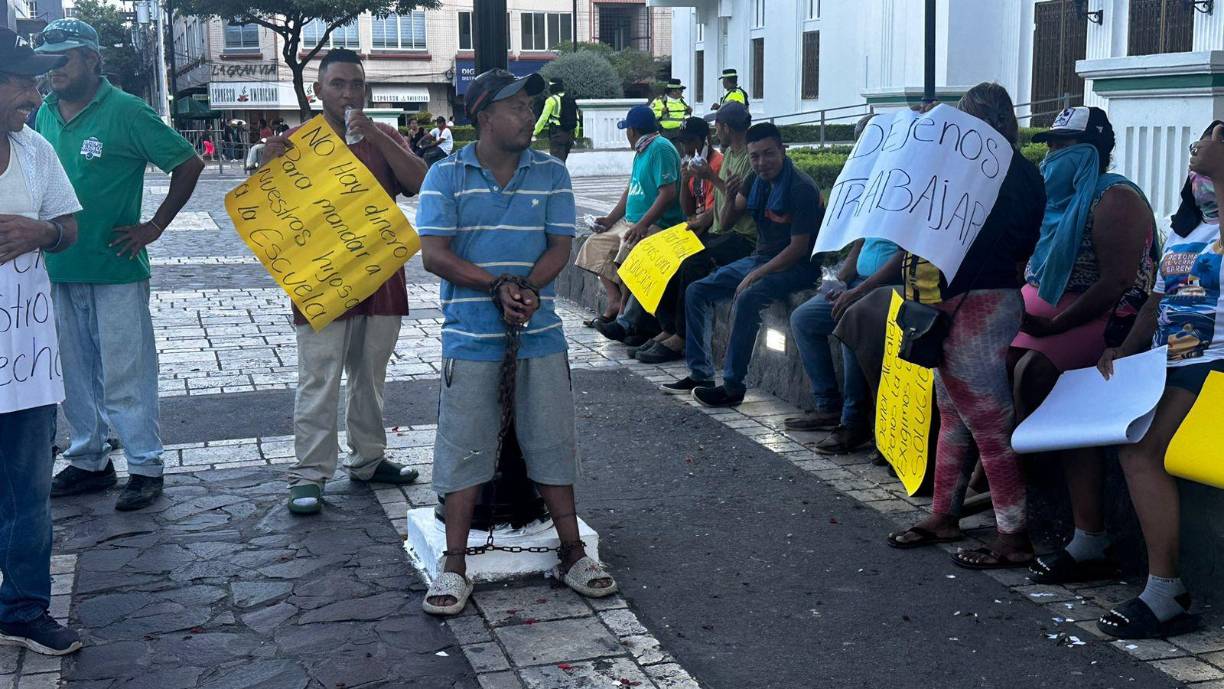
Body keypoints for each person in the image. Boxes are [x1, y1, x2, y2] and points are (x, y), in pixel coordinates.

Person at [416, 69, 617, 615]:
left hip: (541, 337)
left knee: (552, 440)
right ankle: (454, 564)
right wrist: (496, 285)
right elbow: (434, 254)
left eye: (531, 106)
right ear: (484, 116)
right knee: (463, 446)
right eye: (518, 107)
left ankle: (573, 552)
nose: (530, 114)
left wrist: (527, 287)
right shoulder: (445, 176)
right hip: (470, 338)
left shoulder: (551, 173)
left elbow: (558, 246)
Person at [33, 18, 205, 511]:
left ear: (92, 59)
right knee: (72, 371)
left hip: (115, 266)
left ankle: (146, 465)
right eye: (48, 61)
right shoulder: (42, 111)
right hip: (57, 266)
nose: (54, 70)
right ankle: (90, 460)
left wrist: (154, 226)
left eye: (63, 58)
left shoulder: (128, 111)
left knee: (127, 372)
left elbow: (187, 162)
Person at [885, 83, 1046, 569]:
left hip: (966, 302)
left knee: (987, 421)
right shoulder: (1025, 173)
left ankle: (1013, 536)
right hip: (989, 298)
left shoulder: (974, 170)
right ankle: (945, 513)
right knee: (956, 412)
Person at [260, 49, 427, 514]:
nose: (349, 93)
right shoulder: (295, 142)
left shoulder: (385, 135)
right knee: (319, 378)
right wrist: (264, 166)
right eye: (338, 84)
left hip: (381, 279)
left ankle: (369, 459)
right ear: (318, 91)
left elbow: (420, 183)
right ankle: (309, 473)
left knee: (371, 377)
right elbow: (272, 213)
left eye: (356, 84)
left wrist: (379, 136)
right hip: (321, 282)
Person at [1010, 107, 1157, 587]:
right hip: (1049, 314)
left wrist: (1056, 325)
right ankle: (1001, 496)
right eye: (1050, 145)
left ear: (1091, 150)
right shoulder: (1058, 198)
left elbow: (1116, 283)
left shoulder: (1114, 197)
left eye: (1063, 146)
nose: (1052, 155)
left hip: (1101, 319)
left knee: (1037, 373)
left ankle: (1084, 531)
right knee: (990, 363)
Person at [1089, 122, 1224, 639]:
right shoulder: (1186, 232)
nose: (1198, 151)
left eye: (1211, 140)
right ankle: (1089, 541)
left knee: (1141, 451)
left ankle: (1165, 591)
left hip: (1209, 365)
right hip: (1163, 362)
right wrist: (1123, 351)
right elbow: (1157, 299)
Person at [0, 28, 83, 656]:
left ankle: (24, 608)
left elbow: (71, 229)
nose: (34, 90)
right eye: (21, 79)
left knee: (28, 488)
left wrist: (42, 232)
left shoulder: (34, 150)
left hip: (25, 354)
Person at [662, 122, 822, 407]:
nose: (762, 163)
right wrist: (724, 188)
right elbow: (725, 222)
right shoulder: (755, 180)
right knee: (696, 290)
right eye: (755, 156)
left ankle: (733, 387)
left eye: (768, 154)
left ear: (783, 151)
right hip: (761, 258)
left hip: (797, 267)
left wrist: (756, 274)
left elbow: (798, 249)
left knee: (748, 297)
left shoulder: (801, 188)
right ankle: (701, 374)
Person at [786, 116, 902, 452]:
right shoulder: (873, 183)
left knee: (852, 325)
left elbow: (905, 256)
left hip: (886, 287)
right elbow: (861, 241)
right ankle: (828, 404)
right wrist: (842, 279)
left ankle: (854, 423)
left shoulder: (905, 184)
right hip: (861, 283)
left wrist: (859, 291)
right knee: (804, 319)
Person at [636, 110, 756, 365]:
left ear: (721, 129)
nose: (686, 146)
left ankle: (681, 335)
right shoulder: (729, 156)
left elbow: (736, 203)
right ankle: (665, 326)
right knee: (662, 253)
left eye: (690, 141)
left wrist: (710, 178)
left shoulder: (734, 159)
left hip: (739, 235)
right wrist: (686, 179)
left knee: (691, 263)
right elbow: (690, 209)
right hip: (720, 228)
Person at [574, 105, 683, 335]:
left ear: (632, 130)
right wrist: (610, 219)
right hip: (629, 220)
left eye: (626, 130)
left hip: (656, 224)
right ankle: (614, 301)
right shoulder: (640, 151)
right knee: (594, 245)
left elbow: (668, 193)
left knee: (628, 249)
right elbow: (630, 190)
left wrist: (643, 224)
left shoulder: (660, 148)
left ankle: (624, 315)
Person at [534, 78, 578, 161]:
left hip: (557, 134)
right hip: (570, 135)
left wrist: (535, 132)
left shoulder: (551, 100)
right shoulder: (570, 98)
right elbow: (577, 118)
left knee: (557, 162)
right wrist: (575, 134)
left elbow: (543, 118)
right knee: (563, 161)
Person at [650, 78, 691, 142]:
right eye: (680, 90)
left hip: (680, 134)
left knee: (680, 151)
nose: (682, 91)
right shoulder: (659, 101)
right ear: (673, 91)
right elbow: (651, 115)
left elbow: (684, 117)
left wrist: (688, 112)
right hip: (664, 134)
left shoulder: (682, 102)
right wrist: (661, 113)